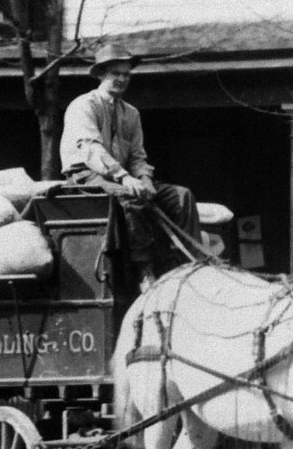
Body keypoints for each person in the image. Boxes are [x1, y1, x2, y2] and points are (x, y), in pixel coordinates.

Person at [60, 43, 201, 292]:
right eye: (116, 73)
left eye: (126, 74)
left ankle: (190, 266)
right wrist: (125, 178)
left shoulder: (131, 114)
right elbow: (91, 150)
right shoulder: (84, 106)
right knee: (130, 197)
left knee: (182, 196)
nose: (122, 79)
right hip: (85, 175)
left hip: (123, 177)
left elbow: (137, 156)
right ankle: (144, 271)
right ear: (101, 74)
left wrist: (145, 178)